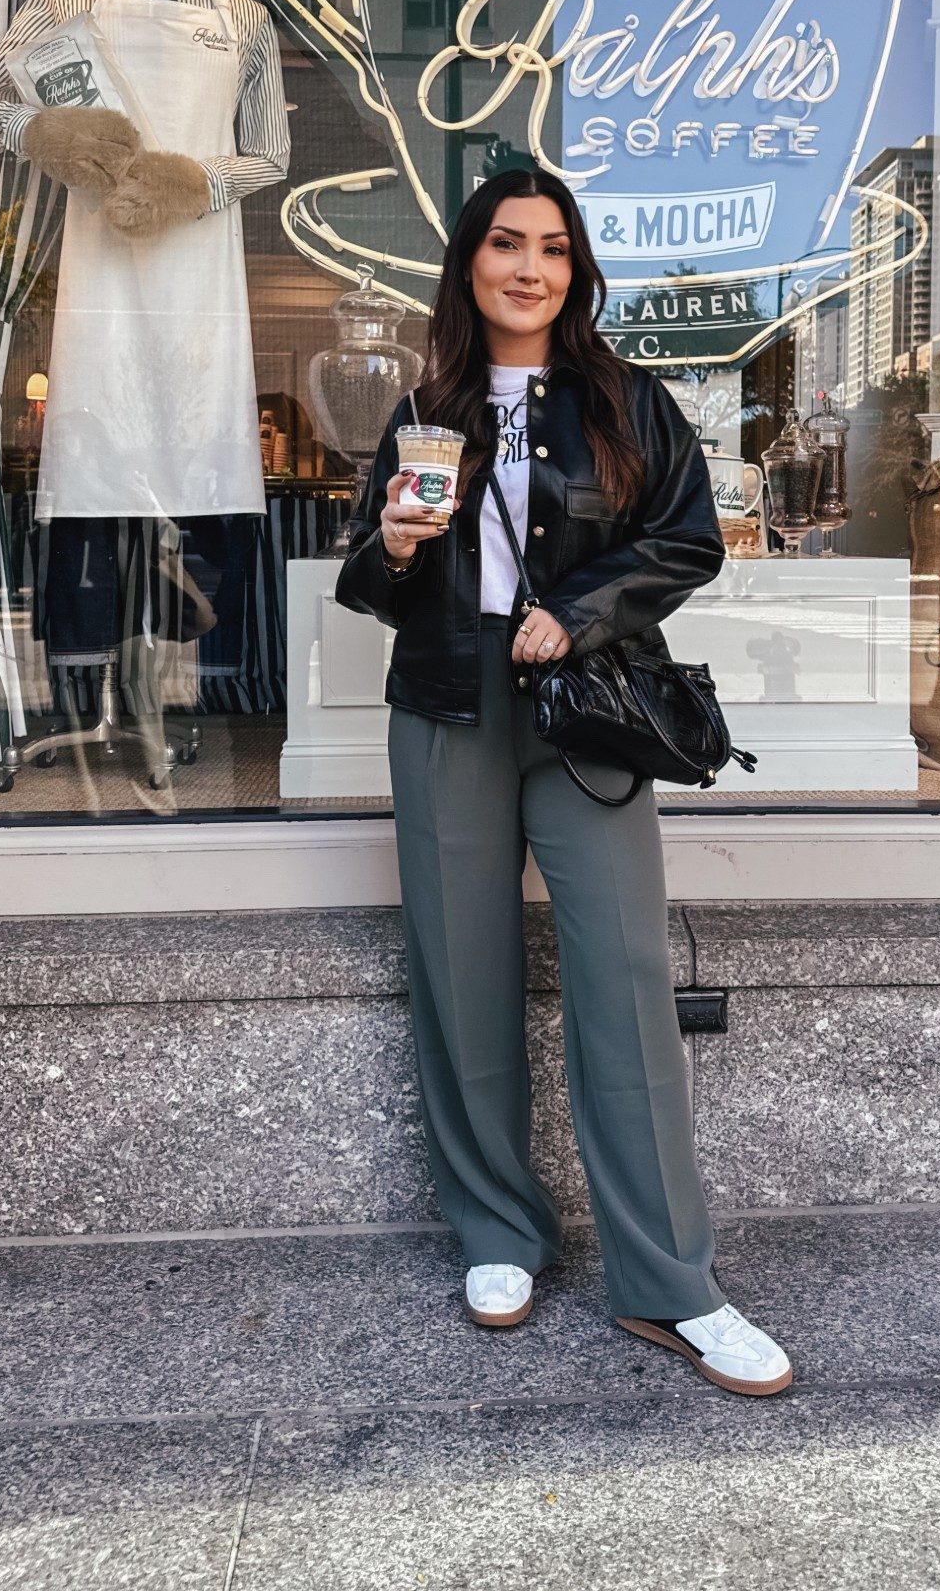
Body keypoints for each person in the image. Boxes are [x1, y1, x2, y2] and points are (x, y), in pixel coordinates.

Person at [336, 167, 792, 1398]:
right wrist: (392, 546)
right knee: (461, 969)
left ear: (577, 268)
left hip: (587, 706)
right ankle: (497, 1227)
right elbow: (368, 583)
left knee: (626, 977)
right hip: (447, 703)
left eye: (552, 246)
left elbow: (686, 538)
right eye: (505, 243)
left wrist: (578, 612)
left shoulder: (628, 400)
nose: (529, 267)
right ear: (469, 262)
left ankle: (671, 1280)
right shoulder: (424, 404)